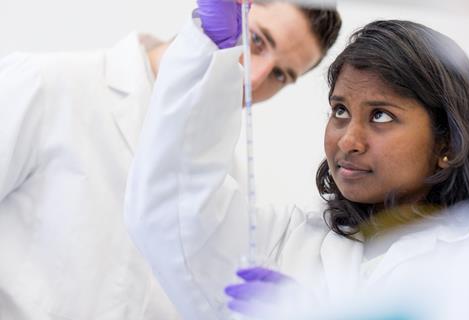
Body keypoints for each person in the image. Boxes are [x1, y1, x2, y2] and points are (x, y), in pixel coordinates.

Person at [0, 1, 341, 319]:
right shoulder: (46, 85)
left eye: (281, 75)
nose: (254, 78)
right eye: (255, 40)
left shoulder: (221, 181)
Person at [124, 16, 469, 320]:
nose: (348, 141)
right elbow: (172, 216)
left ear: (447, 143)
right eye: (340, 110)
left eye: (381, 116)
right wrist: (211, 51)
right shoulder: (288, 240)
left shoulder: (468, 263)